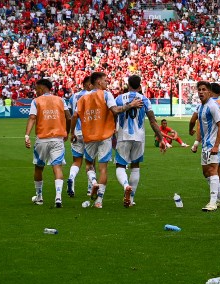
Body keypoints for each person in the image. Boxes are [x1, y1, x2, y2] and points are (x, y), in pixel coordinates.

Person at [70, 71, 143, 208]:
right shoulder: (106, 94)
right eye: (105, 81)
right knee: (103, 169)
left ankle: (93, 182)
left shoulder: (82, 99)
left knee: (89, 165)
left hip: (89, 136)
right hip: (105, 136)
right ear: (98, 82)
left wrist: (72, 133)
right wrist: (130, 105)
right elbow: (115, 110)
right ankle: (99, 201)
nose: (107, 83)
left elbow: (74, 116)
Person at [114, 75, 166, 207]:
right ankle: (130, 199)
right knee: (135, 166)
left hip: (123, 136)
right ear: (139, 85)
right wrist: (161, 138)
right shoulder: (145, 99)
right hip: (139, 137)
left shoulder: (119, 98)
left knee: (120, 165)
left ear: (128, 84)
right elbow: (153, 122)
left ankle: (126, 185)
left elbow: (112, 115)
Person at [24, 78, 71, 208]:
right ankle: (58, 197)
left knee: (39, 167)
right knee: (57, 167)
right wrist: (67, 132)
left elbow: (32, 117)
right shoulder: (61, 100)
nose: (36, 91)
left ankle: (39, 197)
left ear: (42, 88)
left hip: (42, 139)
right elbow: (69, 117)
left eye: (36, 88)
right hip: (57, 139)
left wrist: (27, 135)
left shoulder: (36, 101)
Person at [189, 82, 220, 208]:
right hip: (206, 144)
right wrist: (197, 141)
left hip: (215, 143)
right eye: (199, 89)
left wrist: (216, 145)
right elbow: (199, 126)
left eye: (204, 89)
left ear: (209, 92)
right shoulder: (201, 107)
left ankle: (213, 202)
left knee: (213, 170)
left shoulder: (213, 106)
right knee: (206, 172)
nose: (200, 92)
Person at [66, 76, 93, 197]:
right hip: (90, 133)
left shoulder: (73, 97)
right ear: (88, 85)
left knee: (77, 161)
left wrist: (71, 132)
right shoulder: (93, 96)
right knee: (90, 162)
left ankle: (71, 177)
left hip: (76, 132)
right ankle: (90, 188)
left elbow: (71, 116)